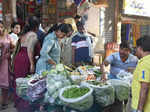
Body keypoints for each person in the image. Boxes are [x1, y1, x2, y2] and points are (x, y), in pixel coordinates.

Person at [12, 16, 40, 112]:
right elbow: (30, 49)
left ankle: (18, 104)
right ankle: (24, 106)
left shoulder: (24, 33)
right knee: (25, 82)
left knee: (19, 81)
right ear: (36, 26)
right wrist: (32, 64)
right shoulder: (33, 35)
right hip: (25, 60)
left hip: (19, 58)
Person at [131, 35, 150, 112]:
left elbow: (144, 87)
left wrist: (139, 109)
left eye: (136, 48)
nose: (135, 51)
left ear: (140, 48)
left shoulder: (144, 64)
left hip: (141, 107)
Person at [0, 21, 14, 110]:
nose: (0, 29)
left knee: (4, 83)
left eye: (1, 27)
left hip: (5, 62)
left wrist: (9, 53)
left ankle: (4, 103)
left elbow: (14, 47)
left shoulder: (7, 36)